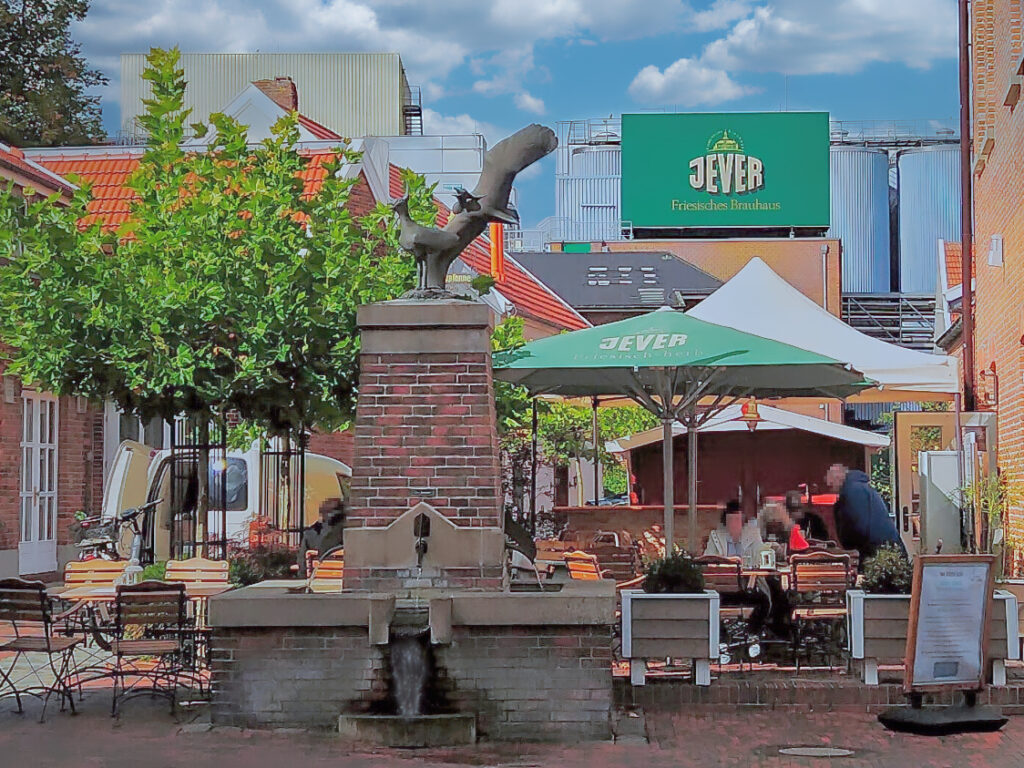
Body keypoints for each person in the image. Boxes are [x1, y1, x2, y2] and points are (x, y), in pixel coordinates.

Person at [826, 463, 905, 561]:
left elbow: (858, 527)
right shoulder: (858, 487)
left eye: (831, 482)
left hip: (881, 555)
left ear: (839, 477)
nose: (829, 485)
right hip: (887, 549)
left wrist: (851, 550)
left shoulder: (853, 491)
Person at [297, 498, 346, 576]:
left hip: (317, 580)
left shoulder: (310, 534)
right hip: (342, 580)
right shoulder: (348, 533)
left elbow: (302, 564)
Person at [705, 500, 763, 565]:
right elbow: (708, 559)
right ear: (725, 521)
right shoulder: (715, 536)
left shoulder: (754, 536)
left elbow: (760, 558)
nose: (734, 523)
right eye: (731, 519)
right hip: (724, 574)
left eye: (737, 519)